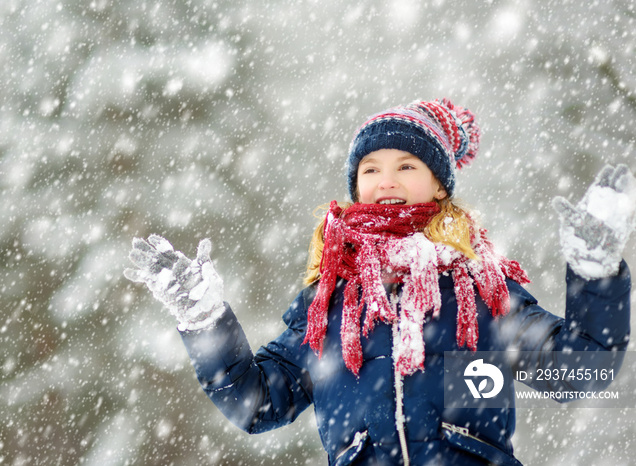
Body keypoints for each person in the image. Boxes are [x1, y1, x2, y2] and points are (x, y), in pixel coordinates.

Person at [124, 99, 635, 465]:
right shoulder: (330, 304)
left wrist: (596, 273)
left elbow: (579, 373)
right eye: (370, 169)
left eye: (406, 165)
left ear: (438, 186)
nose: (385, 179)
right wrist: (204, 318)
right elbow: (257, 404)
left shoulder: (479, 294)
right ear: (357, 188)